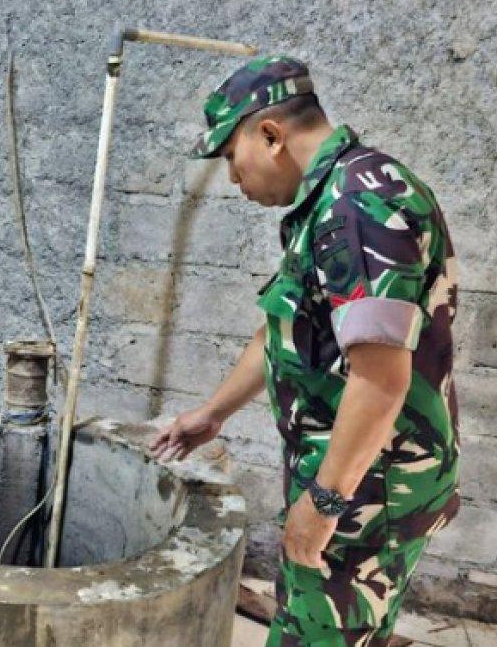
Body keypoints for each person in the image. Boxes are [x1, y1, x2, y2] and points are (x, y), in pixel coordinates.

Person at [151, 56, 460, 646]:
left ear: (270, 135)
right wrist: (213, 413)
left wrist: (322, 506)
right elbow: (284, 329)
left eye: (231, 157)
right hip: (353, 478)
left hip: (365, 492)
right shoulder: (331, 199)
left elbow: (380, 380)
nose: (233, 179)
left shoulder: (356, 208)